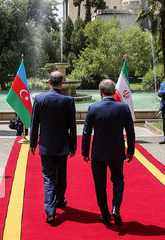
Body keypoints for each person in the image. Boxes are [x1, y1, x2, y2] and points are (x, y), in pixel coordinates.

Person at [82, 79, 135, 227]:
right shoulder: (123, 108)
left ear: (100, 92)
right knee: (118, 180)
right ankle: (115, 208)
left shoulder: (93, 108)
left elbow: (86, 132)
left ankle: (105, 215)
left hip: (98, 153)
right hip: (117, 152)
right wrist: (130, 151)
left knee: (100, 184)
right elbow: (130, 132)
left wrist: (85, 152)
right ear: (114, 92)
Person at [30, 71, 77, 225]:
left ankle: (51, 210)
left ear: (49, 82)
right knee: (61, 175)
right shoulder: (68, 100)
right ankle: (59, 200)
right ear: (62, 83)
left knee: (48, 177)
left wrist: (33, 143)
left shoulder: (39, 99)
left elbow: (34, 123)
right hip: (63, 145)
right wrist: (73, 146)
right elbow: (72, 126)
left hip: (46, 145)